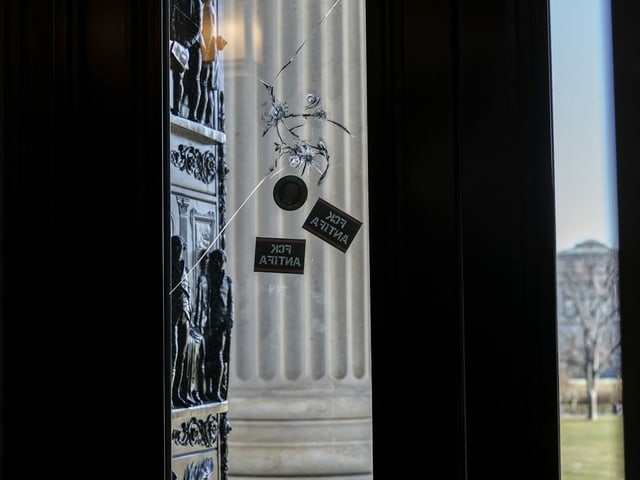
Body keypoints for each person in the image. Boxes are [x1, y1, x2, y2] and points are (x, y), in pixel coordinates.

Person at [203, 248, 233, 402]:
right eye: (216, 260)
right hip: (207, 324)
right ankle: (204, 391)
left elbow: (230, 303)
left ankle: (216, 391)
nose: (219, 263)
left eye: (221, 260)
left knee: (219, 358)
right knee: (206, 357)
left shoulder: (227, 281)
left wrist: (229, 322)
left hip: (221, 325)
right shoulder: (207, 279)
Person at [170, 235, 192, 408]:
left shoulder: (185, 267)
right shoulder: (167, 266)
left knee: (182, 357)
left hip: (185, 315)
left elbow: (188, 291)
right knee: (173, 355)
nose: (178, 249)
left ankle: (177, 393)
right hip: (171, 316)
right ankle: (169, 395)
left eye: (180, 246)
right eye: (175, 246)